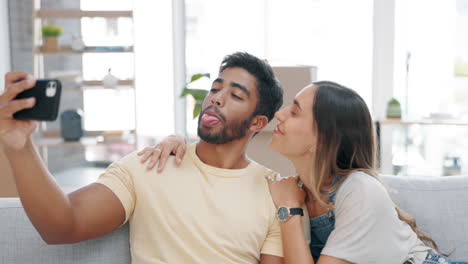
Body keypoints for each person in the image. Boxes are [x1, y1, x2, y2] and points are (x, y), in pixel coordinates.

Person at [0, 52, 286, 263]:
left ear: (257, 123)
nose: (216, 98)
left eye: (235, 95)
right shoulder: (150, 165)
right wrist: (20, 146)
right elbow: (62, 226)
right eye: (215, 88)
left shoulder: (274, 191)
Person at [140, 81, 468, 264]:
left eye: (294, 111)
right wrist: (179, 141)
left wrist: (290, 213)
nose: (280, 115)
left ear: (321, 137)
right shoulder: (292, 188)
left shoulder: (358, 190)